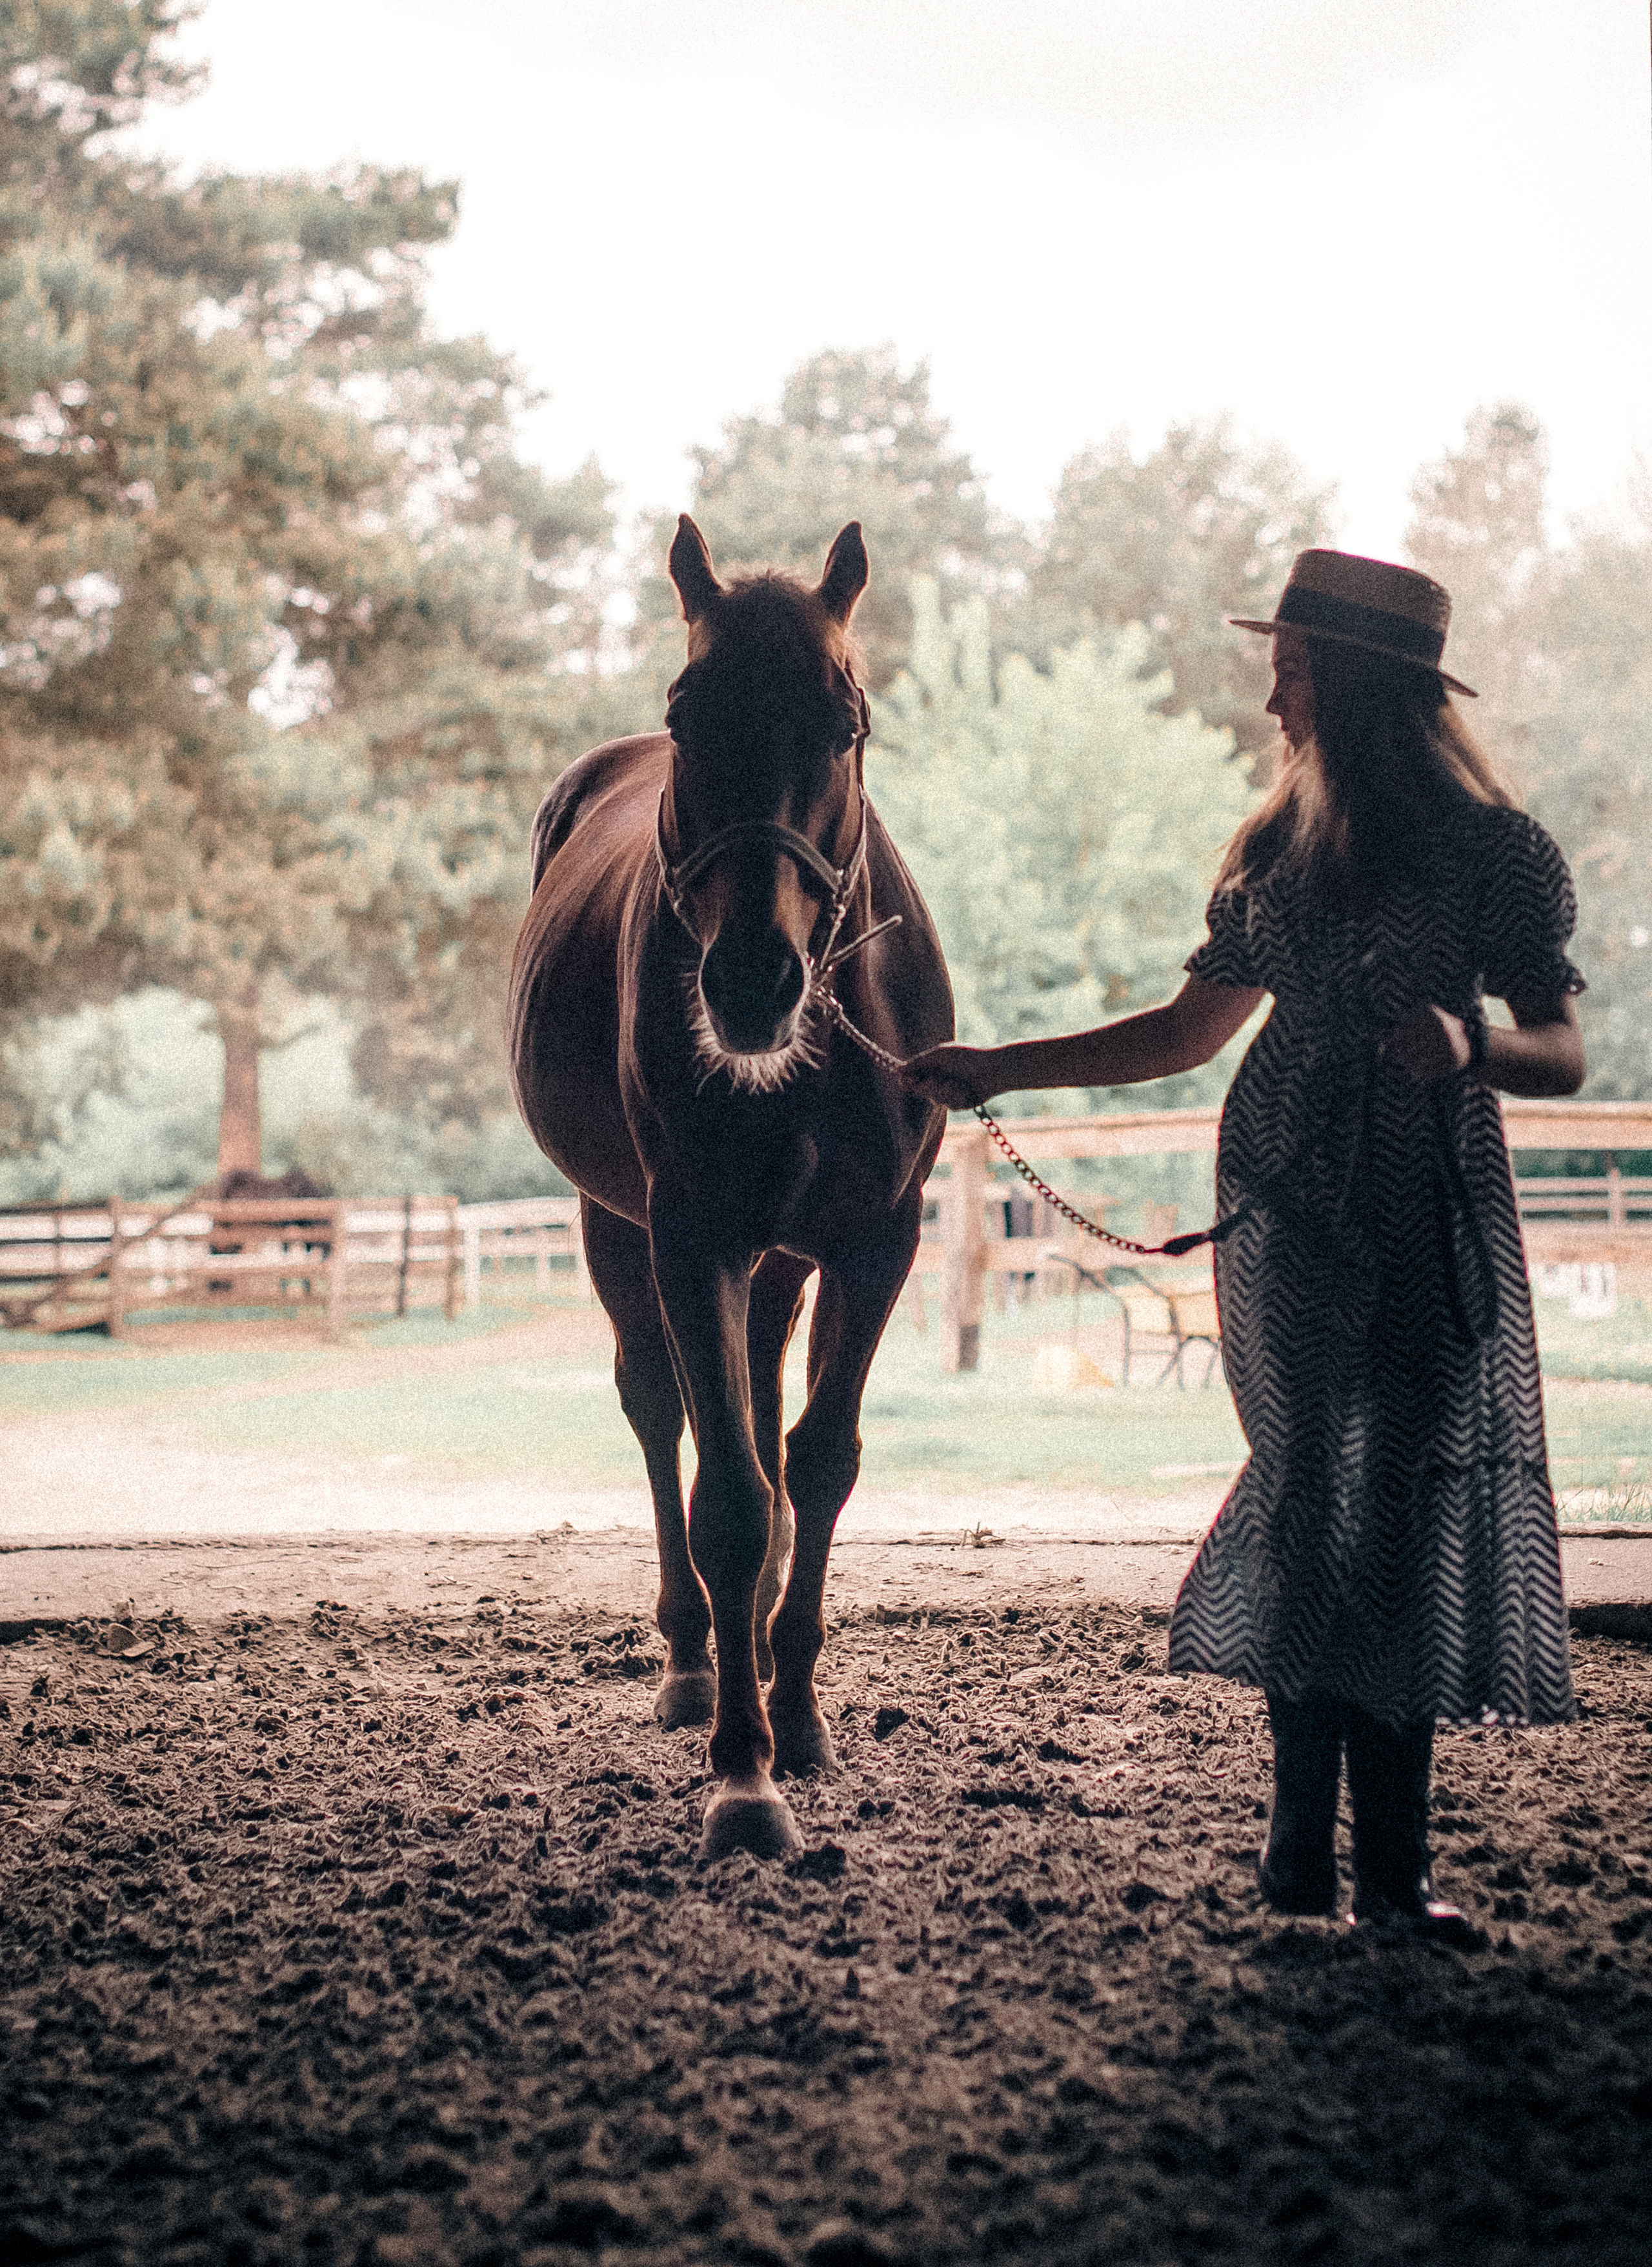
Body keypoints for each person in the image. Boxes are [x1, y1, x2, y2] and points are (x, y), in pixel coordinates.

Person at [901, 549, 1586, 1933]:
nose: (1271, 698)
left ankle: (1384, 1873)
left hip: (1420, 1191)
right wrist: (998, 1067)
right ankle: (1297, 1859)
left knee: (1386, 1507)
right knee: (1304, 1494)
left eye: (1288, 669)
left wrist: (1469, 1042)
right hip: (1282, 1207)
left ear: (1354, 683)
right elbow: (1181, 1031)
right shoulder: (1277, 849)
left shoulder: (1491, 850)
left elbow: (1563, 1051)